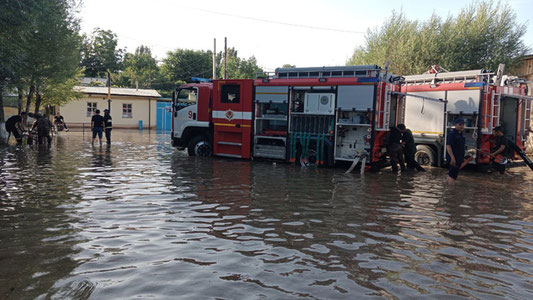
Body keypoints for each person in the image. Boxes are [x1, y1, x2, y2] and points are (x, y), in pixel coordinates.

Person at [446, 118, 471, 185]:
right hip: (454, 158)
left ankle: (448, 189)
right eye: (460, 124)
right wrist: (452, 158)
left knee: (451, 174)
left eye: (463, 124)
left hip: (459, 158)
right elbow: (448, 146)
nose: (462, 126)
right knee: (453, 176)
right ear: (455, 125)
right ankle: (451, 192)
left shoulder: (460, 134)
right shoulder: (452, 134)